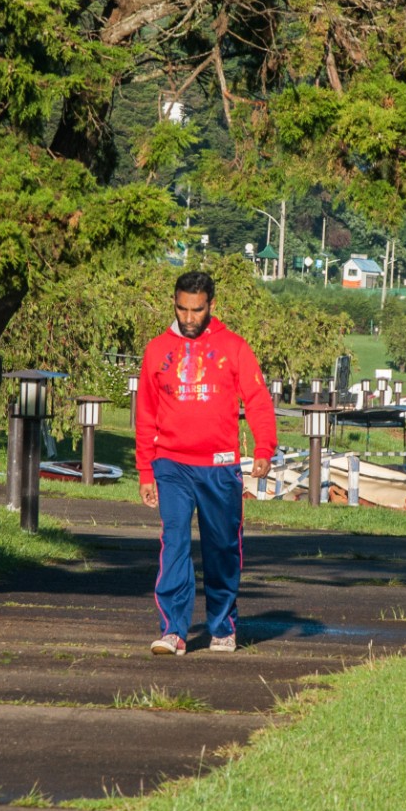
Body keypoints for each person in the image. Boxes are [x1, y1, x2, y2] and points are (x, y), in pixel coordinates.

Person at [134, 270, 278, 655]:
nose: (188, 318)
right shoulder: (155, 350)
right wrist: (146, 470)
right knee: (175, 542)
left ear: (210, 306)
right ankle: (173, 631)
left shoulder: (234, 347)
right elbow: (145, 414)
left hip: (219, 466)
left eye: (196, 310)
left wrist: (264, 448)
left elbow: (258, 401)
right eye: (182, 309)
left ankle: (222, 626)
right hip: (171, 464)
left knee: (221, 547)